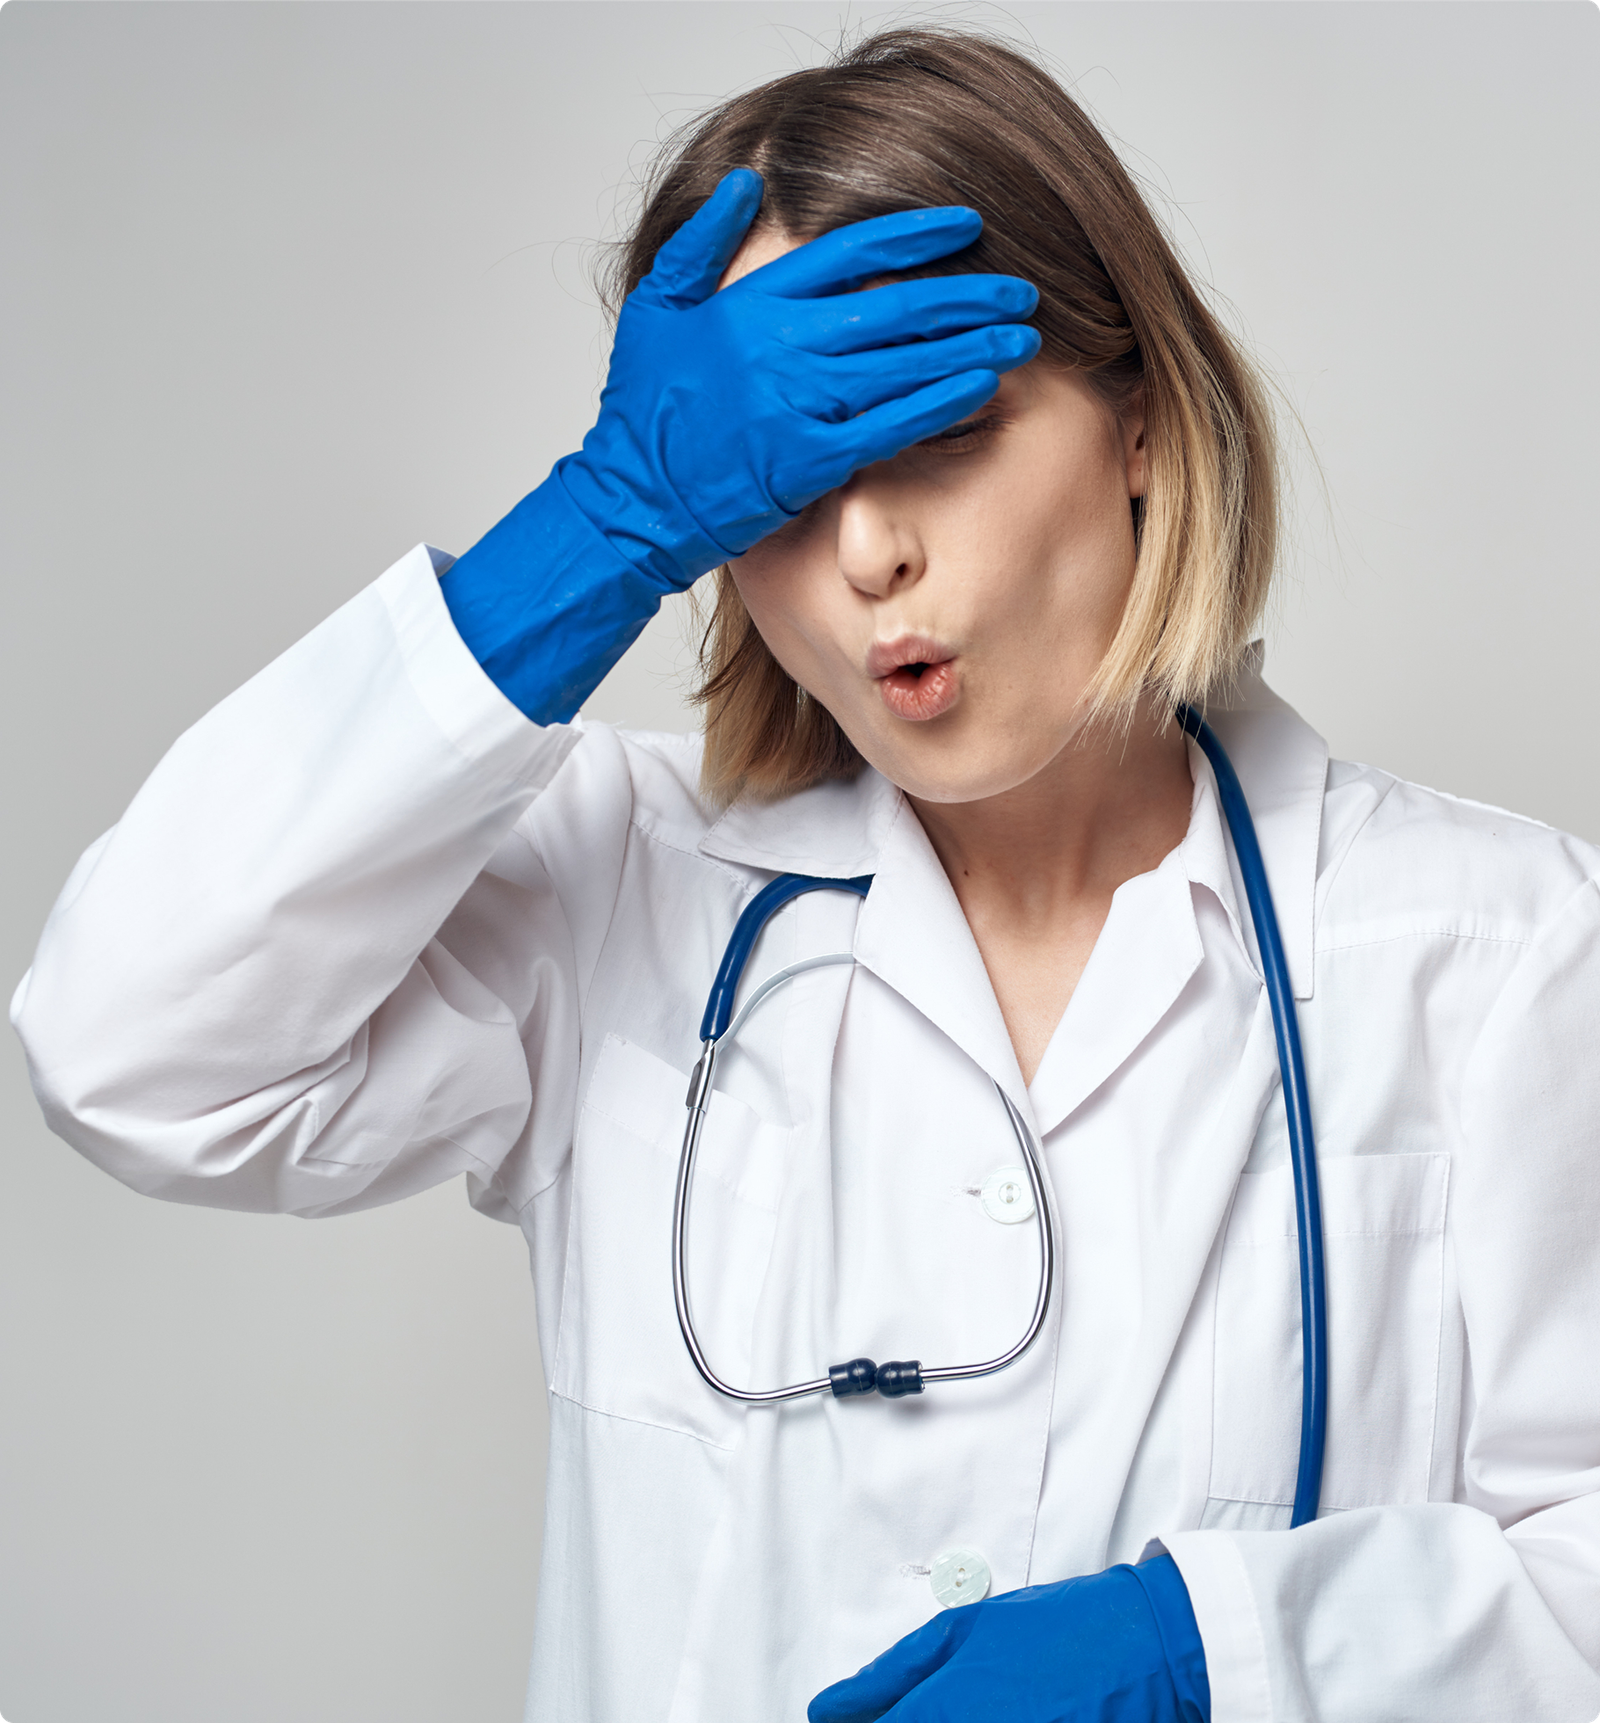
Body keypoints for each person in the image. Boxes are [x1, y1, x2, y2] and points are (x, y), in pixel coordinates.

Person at [12, 24, 1600, 1723]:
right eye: (778, 480)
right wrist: (601, 525)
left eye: (939, 434)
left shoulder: (1494, 950)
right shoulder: (623, 888)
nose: (865, 554)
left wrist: (1220, 1656)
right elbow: (130, 1046)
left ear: (1137, 424)